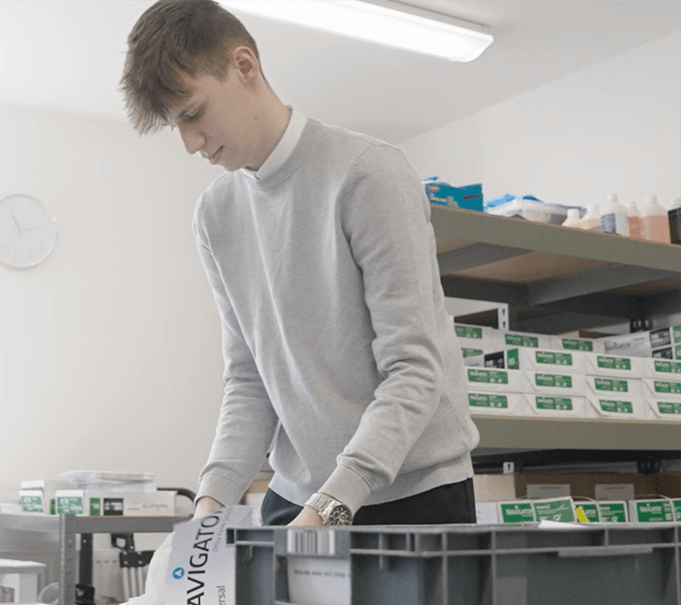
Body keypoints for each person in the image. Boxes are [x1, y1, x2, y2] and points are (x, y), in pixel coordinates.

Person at [121, 0, 479, 527]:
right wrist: (209, 505)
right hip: (297, 494)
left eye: (193, 114)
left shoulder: (367, 175)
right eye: (176, 126)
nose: (190, 143)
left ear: (244, 67)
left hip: (412, 492)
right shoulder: (216, 215)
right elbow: (249, 377)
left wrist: (331, 507)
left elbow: (414, 368)